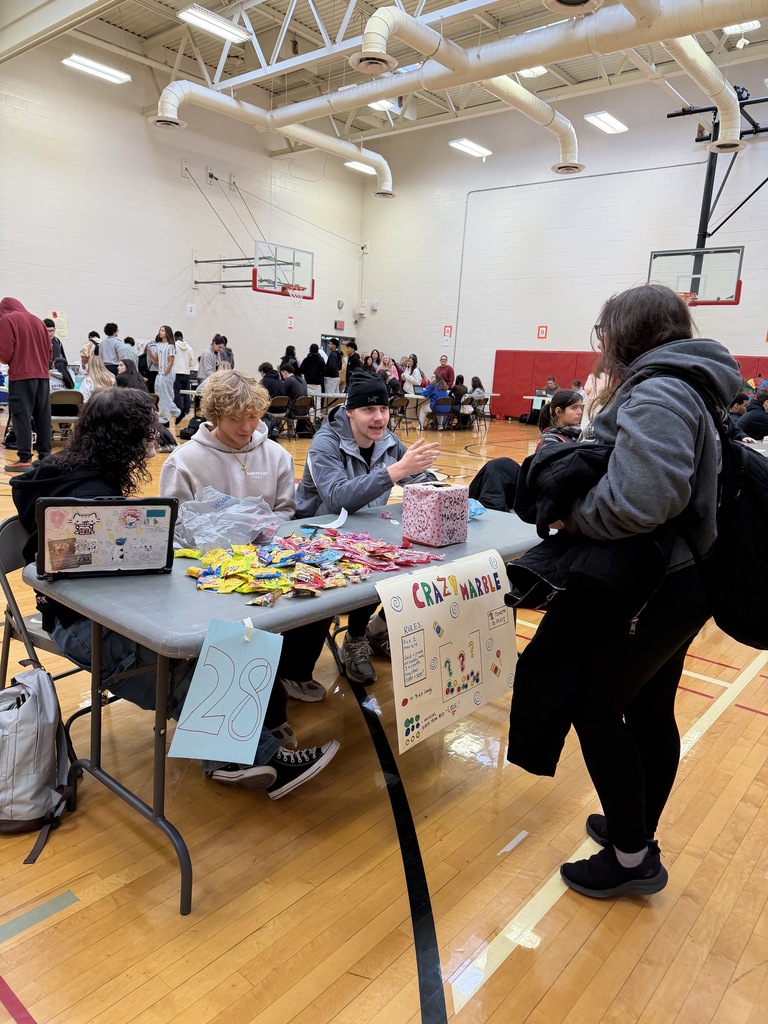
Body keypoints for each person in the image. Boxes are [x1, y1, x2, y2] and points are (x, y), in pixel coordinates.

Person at [507, 283, 741, 898]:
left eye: (603, 332)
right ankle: (631, 828)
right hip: (680, 578)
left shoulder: (660, 389)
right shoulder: (688, 381)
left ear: (624, 335)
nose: (600, 344)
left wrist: (569, 513)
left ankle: (633, 857)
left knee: (593, 707)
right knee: (647, 706)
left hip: (654, 585)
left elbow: (640, 502)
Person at [11, 387, 338, 798]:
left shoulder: (72, 474)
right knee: (208, 654)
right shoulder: (91, 497)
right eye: (149, 433)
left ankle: (234, 753)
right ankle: (242, 757)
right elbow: (79, 580)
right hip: (84, 624)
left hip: (103, 610)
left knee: (231, 636)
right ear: (124, 439)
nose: (155, 441)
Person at [160, 370, 331, 708]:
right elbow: (176, 528)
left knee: (319, 594)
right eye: (236, 419)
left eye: (253, 417)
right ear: (215, 415)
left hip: (268, 559)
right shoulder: (184, 462)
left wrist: (259, 538)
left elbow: (284, 512)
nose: (246, 427)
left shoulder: (276, 456)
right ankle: (244, 705)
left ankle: (292, 671)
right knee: (237, 622)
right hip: (208, 570)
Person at [296, 370, 440, 682]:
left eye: (384, 409)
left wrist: (435, 487)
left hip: (367, 531)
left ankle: (368, 633)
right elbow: (336, 499)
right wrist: (394, 472)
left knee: (416, 559)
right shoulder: (324, 443)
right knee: (374, 566)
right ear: (349, 411)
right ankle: (355, 638)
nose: (378, 418)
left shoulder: (389, 441)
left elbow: (417, 476)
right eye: (368, 410)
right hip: (317, 537)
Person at [0, 297, 52, 473]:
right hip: (43, 376)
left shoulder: (7, 319)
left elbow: (5, 352)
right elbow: (49, 351)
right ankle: (45, 456)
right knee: (42, 416)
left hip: (21, 376)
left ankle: (24, 458)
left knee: (21, 416)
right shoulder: (38, 320)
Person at [152, 325, 180, 425]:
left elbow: (171, 362)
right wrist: (149, 352)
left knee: (164, 396)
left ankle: (164, 417)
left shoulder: (171, 346)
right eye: (160, 330)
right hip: (160, 373)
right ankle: (175, 411)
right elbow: (155, 360)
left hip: (167, 374)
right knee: (160, 394)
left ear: (167, 333)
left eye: (162, 330)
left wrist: (165, 374)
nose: (160, 332)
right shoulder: (158, 345)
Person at [172, 330, 196, 424]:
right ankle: (186, 410)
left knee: (176, 392)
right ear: (182, 337)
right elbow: (192, 362)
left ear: (175, 337)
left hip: (176, 371)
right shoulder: (189, 347)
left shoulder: (173, 346)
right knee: (186, 392)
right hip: (186, 372)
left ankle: (178, 411)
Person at [300, 343, 326, 415]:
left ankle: (308, 414)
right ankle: (317, 415)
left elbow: (301, 370)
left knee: (308, 399)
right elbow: (324, 372)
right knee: (317, 399)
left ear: (310, 350)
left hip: (307, 382)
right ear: (317, 350)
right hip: (317, 383)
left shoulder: (306, 359)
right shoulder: (320, 360)